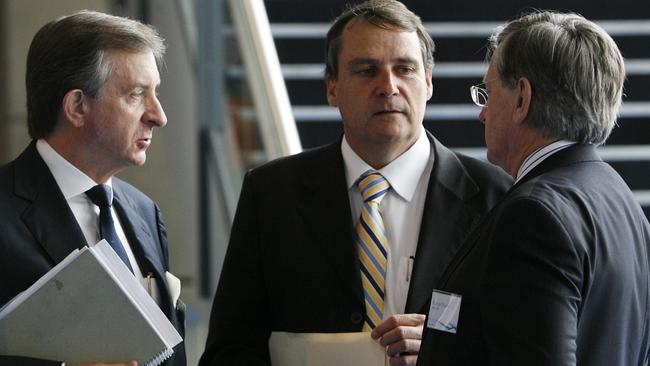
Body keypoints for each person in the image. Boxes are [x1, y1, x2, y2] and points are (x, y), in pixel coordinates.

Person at [198, 1, 511, 365]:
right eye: (367, 70)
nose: (388, 86)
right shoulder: (270, 194)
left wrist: (448, 349)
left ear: (427, 82)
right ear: (332, 88)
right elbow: (230, 348)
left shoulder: (495, 197)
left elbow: (519, 341)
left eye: (405, 69)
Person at [417, 10, 650, 366]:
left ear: (522, 99)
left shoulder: (534, 216)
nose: (482, 113)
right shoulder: (622, 201)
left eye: (488, 93)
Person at [0, 10, 186, 366]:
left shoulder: (144, 211)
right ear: (77, 106)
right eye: (136, 95)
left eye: (155, 94)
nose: (158, 115)